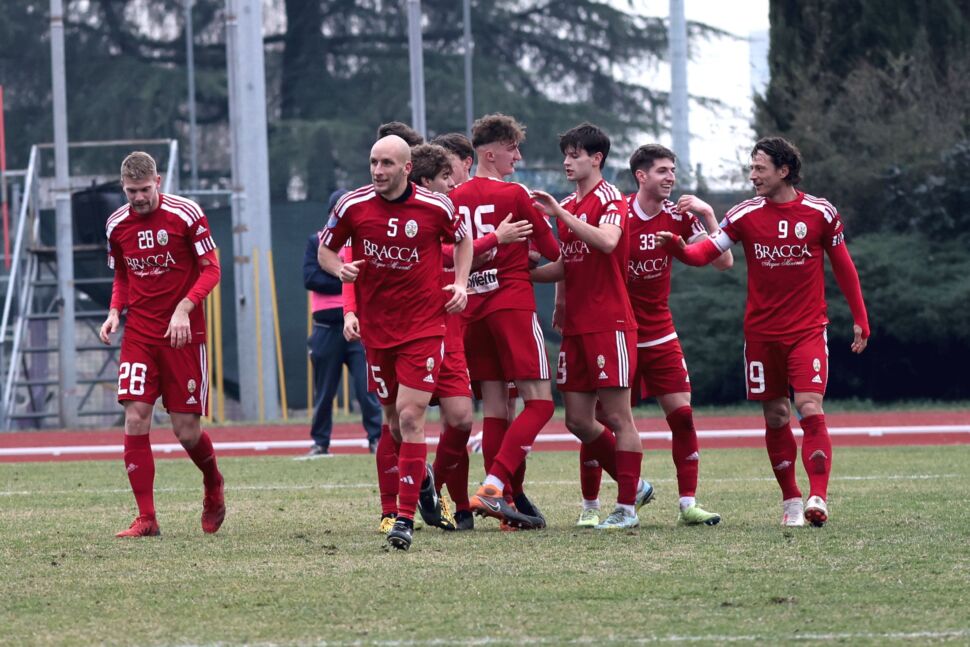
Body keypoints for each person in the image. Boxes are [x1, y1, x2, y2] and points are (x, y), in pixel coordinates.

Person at [656, 136, 870, 527]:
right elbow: (708, 252)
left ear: (783, 170)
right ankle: (792, 502)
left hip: (807, 330)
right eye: (751, 168)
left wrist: (860, 316)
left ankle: (818, 497)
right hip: (761, 336)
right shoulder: (743, 214)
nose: (752, 175)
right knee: (775, 415)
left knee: (809, 406)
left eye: (760, 168)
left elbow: (843, 265)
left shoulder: (820, 212)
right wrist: (680, 250)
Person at [319, 135, 472, 550]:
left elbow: (463, 240)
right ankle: (422, 478)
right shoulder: (351, 205)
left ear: (407, 168)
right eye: (373, 162)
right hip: (377, 331)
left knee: (409, 415)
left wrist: (460, 283)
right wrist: (339, 270)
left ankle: (403, 519)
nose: (377, 170)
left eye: (386, 163)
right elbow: (326, 251)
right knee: (392, 423)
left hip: (424, 327)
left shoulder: (436, 206)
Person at [575, 144, 731, 528]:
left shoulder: (679, 217)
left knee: (683, 416)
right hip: (618, 331)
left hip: (660, 332)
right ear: (641, 176)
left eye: (672, 171)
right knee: (599, 421)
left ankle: (688, 504)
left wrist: (708, 215)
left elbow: (724, 261)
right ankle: (590, 507)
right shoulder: (619, 213)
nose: (670, 177)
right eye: (662, 170)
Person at [530, 123, 654, 530]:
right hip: (578, 326)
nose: (567, 162)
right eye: (565, 155)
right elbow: (567, 264)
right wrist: (521, 274)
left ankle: (627, 510)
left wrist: (560, 214)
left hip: (609, 322)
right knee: (578, 420)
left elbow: (606, 242)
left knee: (618, 416)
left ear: (596, 158)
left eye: (575, 155)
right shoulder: (569, 203)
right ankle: (635, 485)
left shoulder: (610, 197)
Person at [100, 151, 225, 538]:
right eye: (131, 191)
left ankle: (213, 482)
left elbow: (212, 270)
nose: (138, 197)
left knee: (186, 432)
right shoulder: (116, 225)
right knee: (136, 417)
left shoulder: (186, 214)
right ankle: (147, 518)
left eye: (144, 189)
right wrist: (115, 311)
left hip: (182, 335)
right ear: (123, 187)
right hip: (139, 334)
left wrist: (184, 309)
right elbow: (123, 275)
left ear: (158, 182)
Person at [448, 113, 561, 530]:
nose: (518, 156)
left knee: (495, 408)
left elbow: (450, 254)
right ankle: (494, 487)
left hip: (472, 310)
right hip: (511, 305)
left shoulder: (454, 198)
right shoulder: (516, 195)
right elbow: (554, 251)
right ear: (490, 153)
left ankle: (506, 506)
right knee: (541, 403)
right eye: (512, 148)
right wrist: (533, 253)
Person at [301, 189, 382, 458]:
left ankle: (376, 439)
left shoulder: (364, 241)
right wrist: (347, 278)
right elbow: (311, 278)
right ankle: (320, 442)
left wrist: (341, 277)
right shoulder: (317, 241)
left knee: (367, 388)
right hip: (326, 328)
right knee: (324, 392)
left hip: (359, 327)